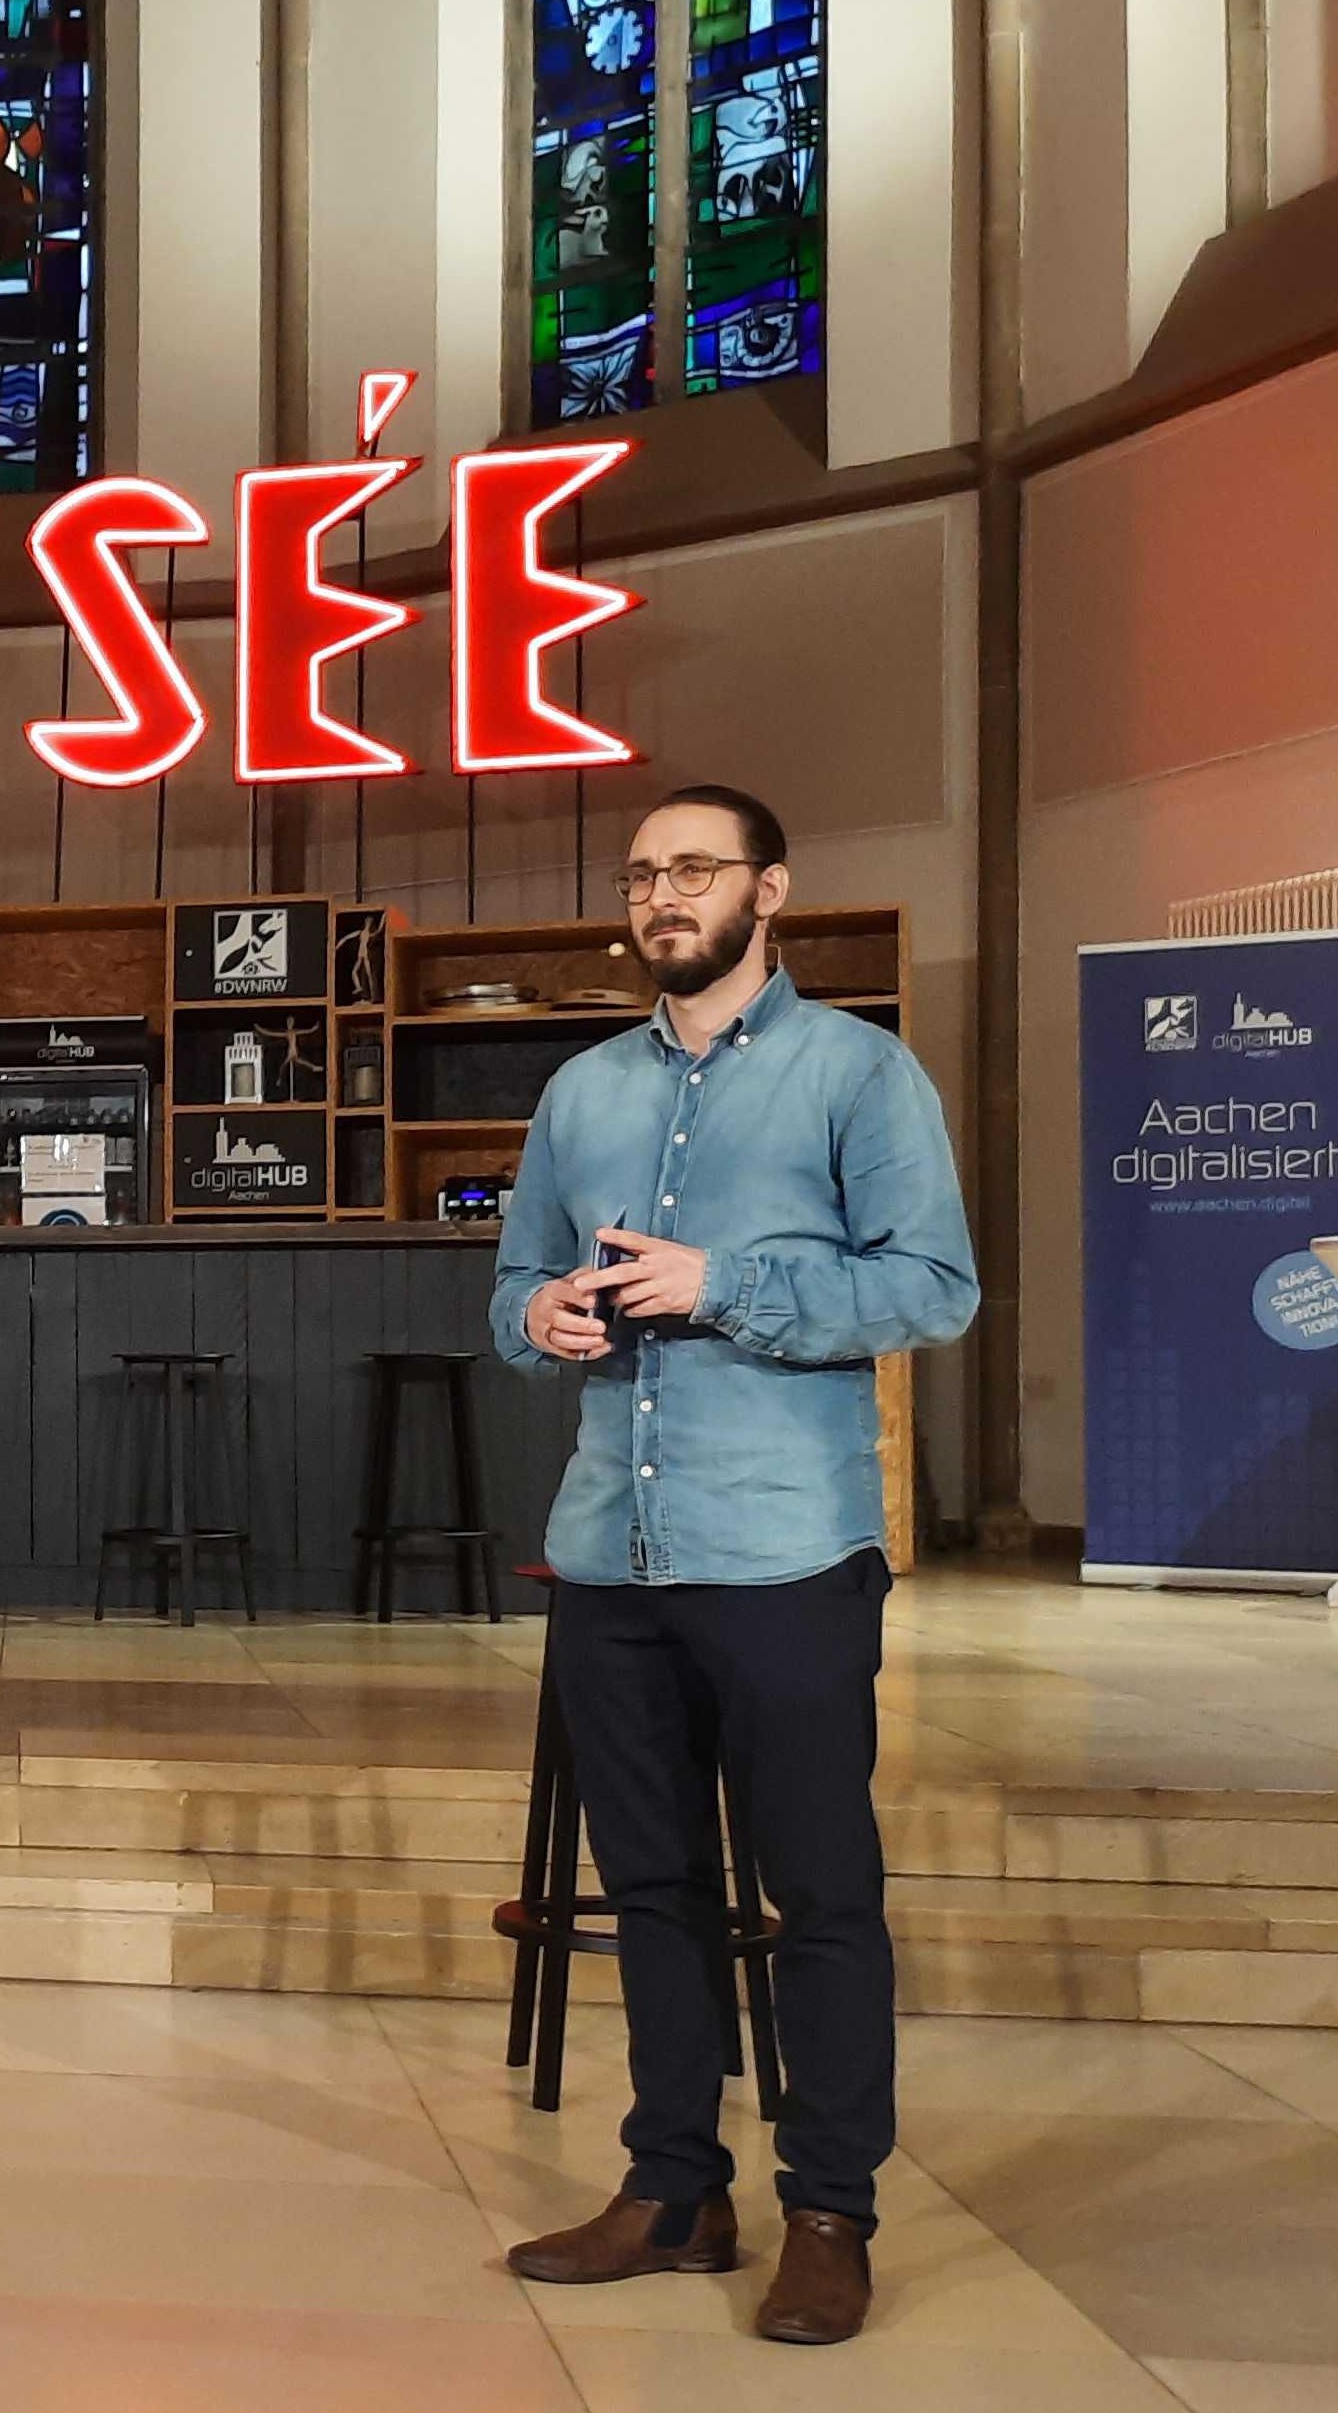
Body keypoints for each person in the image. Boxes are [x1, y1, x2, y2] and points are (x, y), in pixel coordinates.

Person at [488, 784, 978, 2346]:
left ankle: (828, 2207)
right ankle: (676, 2187)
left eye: (690, 868)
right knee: (651, 1887)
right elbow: (510, 1283)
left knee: (818, 1889)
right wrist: (540, 1318)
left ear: (769, 888)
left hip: (780, 1550)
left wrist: (725, 1285)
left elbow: (933, 1288)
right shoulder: (576, 1091)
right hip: (607, 1556)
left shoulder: (858, 1072)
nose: (658, 895)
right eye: (639, 873)